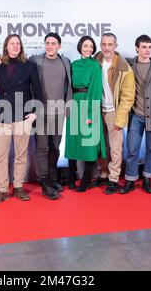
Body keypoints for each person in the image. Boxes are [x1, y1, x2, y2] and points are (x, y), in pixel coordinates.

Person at [0, 34, 43, 204]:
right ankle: (2, 190)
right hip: (3, 115)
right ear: (6, 46)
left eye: (18, 44)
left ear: (21, 46)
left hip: (22, 116)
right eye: (12, 43)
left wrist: (34, 114)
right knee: (1, 156)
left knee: (21, 155)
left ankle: (19, 186)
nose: (15, 46)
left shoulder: (29, 66)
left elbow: (38, 92)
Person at [29, 32, 72, 200]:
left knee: (54, 147)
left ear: (59, 46)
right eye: (47, 43)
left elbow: (69, 87)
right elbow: (20, 66)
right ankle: (44, 181)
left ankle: (53, 178)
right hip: (40, 111)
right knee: (41, 146)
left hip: (59, 112)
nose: (50, 46)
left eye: (53, 43)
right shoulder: (36, 61)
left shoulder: (66, 62)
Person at [121, 34, 151, 194]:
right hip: (134, 116)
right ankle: (130, 180)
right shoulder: (129, 67)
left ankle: (147, 179)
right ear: (137, 48)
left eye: (149, 47)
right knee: (132, 150)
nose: (147, 50)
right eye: (143, 47)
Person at [91, 33, 135, 194]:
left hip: (113, 112)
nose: (107, 47)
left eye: (110, 44)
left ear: (115, 46)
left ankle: (114, 179)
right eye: (104, 44)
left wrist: (120, 117)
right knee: (99, 146)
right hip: (97, 111)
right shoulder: (95, 62)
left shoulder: (125, 68)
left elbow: (128, 96)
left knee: (115, 148)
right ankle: (103, 174)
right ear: (100, 45)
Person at [64, 35, 106, 192]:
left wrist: (89, 115)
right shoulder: (73, 64)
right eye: (86, 46)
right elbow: (67, 86)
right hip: (74, 103)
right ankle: (70, 177)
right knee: (72, 142)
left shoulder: (95, 66)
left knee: (89, 145)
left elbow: (95, 91)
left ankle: (86, 180)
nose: (89, 49)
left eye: (91, 46)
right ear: (80, 47)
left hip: (88, 105)